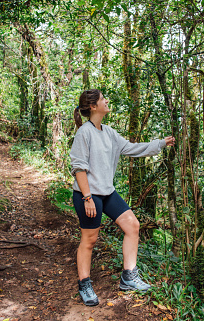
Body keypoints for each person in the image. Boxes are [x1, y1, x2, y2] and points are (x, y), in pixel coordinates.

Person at [70, 89, 175, 306]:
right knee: (89, 240)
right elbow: (79, 169)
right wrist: (87, 198)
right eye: (102, 99)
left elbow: (132, 149)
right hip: (87, 193)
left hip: (106, 192)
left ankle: (128, 276)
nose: (106, 101)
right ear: (92, 106)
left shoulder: (109, 132)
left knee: (132, 226)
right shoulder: (84, 133)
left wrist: (161, 144)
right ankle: (85, 283)